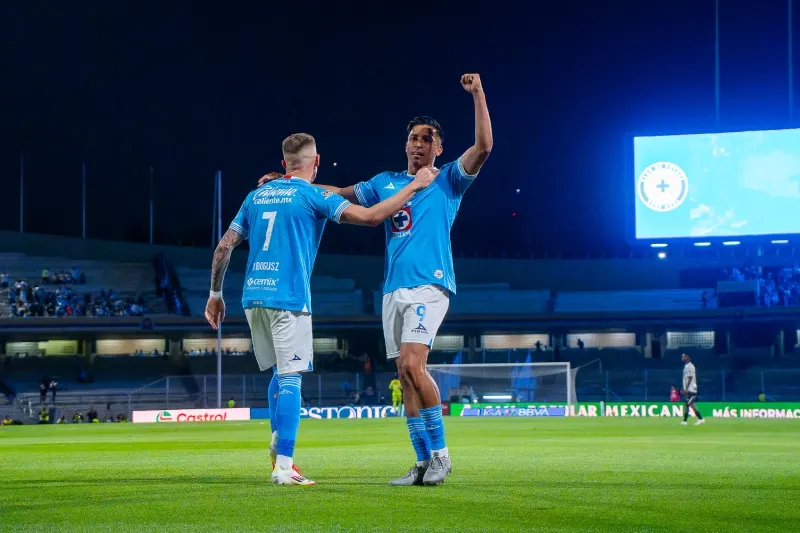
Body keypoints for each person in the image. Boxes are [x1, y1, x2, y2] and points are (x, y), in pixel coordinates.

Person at [259, 74, 492, 486]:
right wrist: (289, 182)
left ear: (439, 147)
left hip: (429, 286)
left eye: (428, 138)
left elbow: (485, 147)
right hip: (392, 290)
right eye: (414, 138)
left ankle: (441, 456)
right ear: (406, 145)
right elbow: (337, 194)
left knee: (413, 364)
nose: (419, 144)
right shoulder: (385, 182)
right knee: (403, 375)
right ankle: (420, 463)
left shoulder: (449, 179)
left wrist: (477, 95)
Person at [205, 133, 437, 486]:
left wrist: (214, 294)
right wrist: (415, 187)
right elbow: (373, 216)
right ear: (315, 163)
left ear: (283, 164)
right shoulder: (313, 195)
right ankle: (284, 466)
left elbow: (224, 247)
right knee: (292, 378)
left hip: (252, 297)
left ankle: (276, 442)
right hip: (288, 298)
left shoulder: (256, 195)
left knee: (278, 375)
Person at [681, 354, 705, 426]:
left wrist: (687, 388)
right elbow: (685, 378)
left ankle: (700, 419)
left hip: (692, 389)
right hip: (688, 389)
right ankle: (685, 421)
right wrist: (684, 388)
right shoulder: (686, 366)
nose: (682, 358)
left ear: (687, 358)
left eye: (683, 357)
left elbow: (690, 377)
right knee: (687, 404)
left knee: (689, 403)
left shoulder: (690, 366)